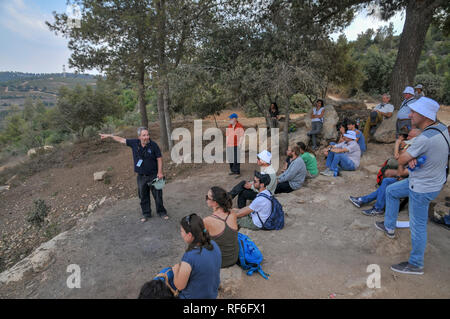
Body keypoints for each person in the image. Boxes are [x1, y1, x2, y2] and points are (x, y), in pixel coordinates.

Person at [375, 97, 449, 275]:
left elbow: (400, 159)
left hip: (422, 187)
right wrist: (415, 156)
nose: (410, 114)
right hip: (433, 181)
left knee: (418, 224)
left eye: (414, 112)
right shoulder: (442, 129)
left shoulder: (424, 138)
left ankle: (416, 264)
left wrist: (409, 155)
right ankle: (390, 226)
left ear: (424, 115)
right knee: (391, 190)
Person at [99, 127, 168, 222]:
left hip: (154, 175)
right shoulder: (134, 143)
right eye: (144, 135)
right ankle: (146, 214)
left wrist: (160, 172)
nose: (146, 137)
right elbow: (121, 140)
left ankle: (162, 212)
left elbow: (159, 158)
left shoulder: (154, 145)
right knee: (143, 196)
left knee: (158, 195)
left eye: (147, 135)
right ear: (139, 136)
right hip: (141, 176)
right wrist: (110, 136)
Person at [172, 214, 221, 298]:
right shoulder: (213, 244)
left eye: (182, 231)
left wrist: (175, 270)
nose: (181, 234)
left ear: (189, 235)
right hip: (212, 294)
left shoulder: (190, 257)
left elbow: (179, 286)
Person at [203, 187, 239, 268]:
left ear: (215, 203)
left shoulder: (207, 220)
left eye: (207, 197)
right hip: (234, 258)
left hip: (221, 262)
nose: (206, 200)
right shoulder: (232, 214)